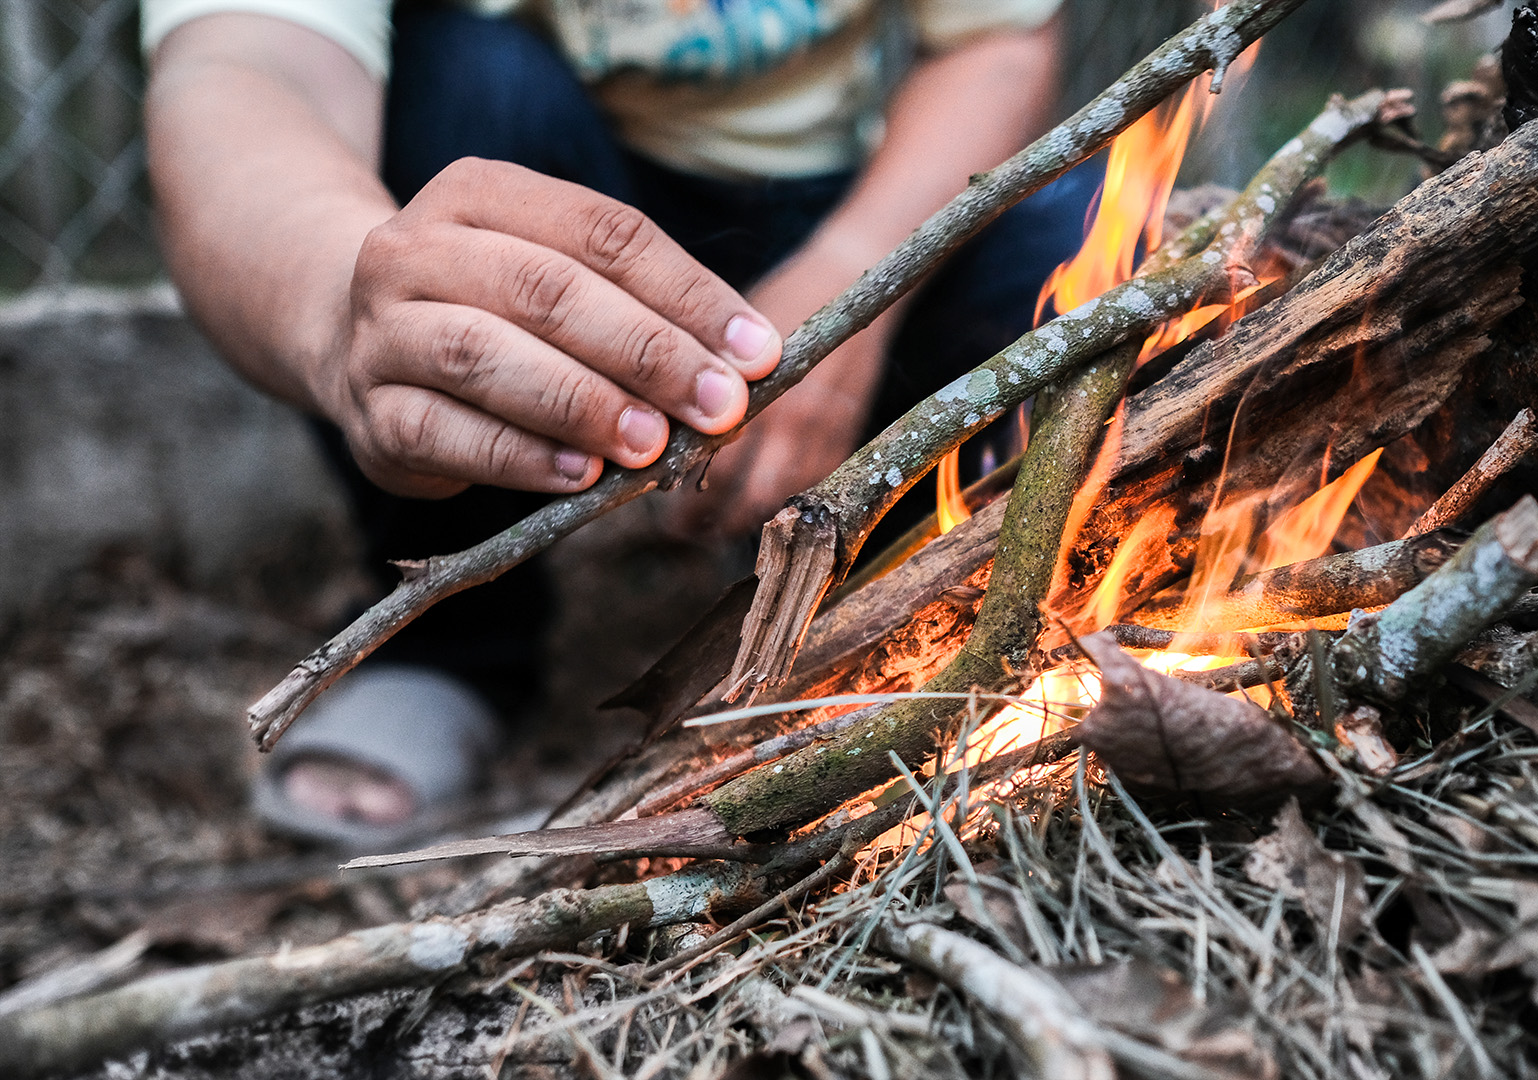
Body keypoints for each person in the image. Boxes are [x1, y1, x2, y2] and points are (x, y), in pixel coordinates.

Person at [140, 0, 1099, 846]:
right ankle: (450, 639)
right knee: (462, 78)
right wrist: (350, 319)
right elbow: (247, 64)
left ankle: (911, 599)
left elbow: (1000, 38)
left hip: (843, 195)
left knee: (1081, 238)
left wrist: (857, 275)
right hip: (542, 170)